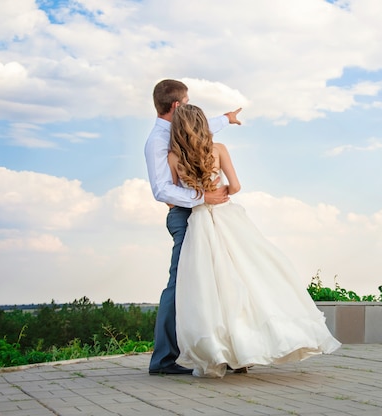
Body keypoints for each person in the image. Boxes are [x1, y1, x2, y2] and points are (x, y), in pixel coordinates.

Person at [168, 104, 341, 378]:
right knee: (245, 277)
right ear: (203, 124)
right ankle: (245, 349)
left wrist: (201, 197)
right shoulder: (219, 149)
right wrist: (221, 191)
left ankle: (220, 352)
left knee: (210, 288)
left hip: (200, 222)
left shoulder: (174, 157)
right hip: (228, 217)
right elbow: (236, 187)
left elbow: (171, 198)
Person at [144, 79, 242, 375]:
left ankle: (229, 348)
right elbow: (161, 190)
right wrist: (202, 196)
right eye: (186, 102)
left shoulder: (181, 128)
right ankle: (163, 359)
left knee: (219, 279)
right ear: (177, 106)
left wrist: (226, 118)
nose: (188, 107)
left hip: (205, 213)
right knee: (179, 284)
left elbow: (200, 125)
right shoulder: (157, 142)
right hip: (186, 215)